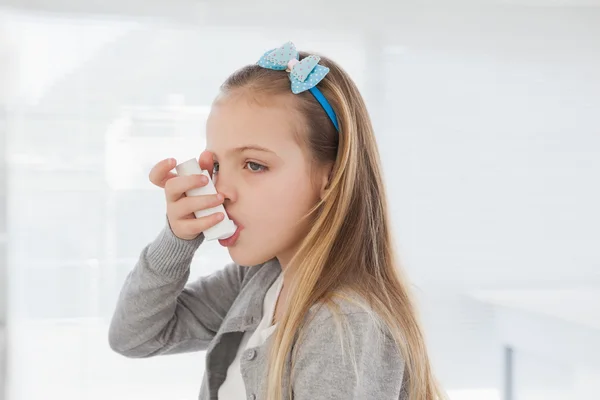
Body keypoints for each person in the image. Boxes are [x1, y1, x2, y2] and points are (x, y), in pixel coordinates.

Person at [108, 41, 446, 400]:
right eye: (217, 167)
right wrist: (176, 239)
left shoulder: (344, 326)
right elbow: (135, 336)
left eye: (255, 165)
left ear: (330, 180)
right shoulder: (261, 280)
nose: (221, 191)